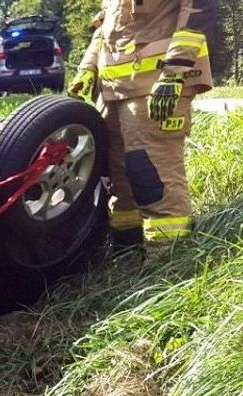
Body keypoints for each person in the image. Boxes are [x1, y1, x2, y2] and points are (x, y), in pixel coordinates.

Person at [68, 0, 216, 247]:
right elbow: (105, 28)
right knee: (117, 177)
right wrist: (88, 68)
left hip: (155, 86)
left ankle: (168, 260)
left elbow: (198, 14)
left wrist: (173, 73)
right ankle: (127, 252)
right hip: (111, 92)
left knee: (149, 174)